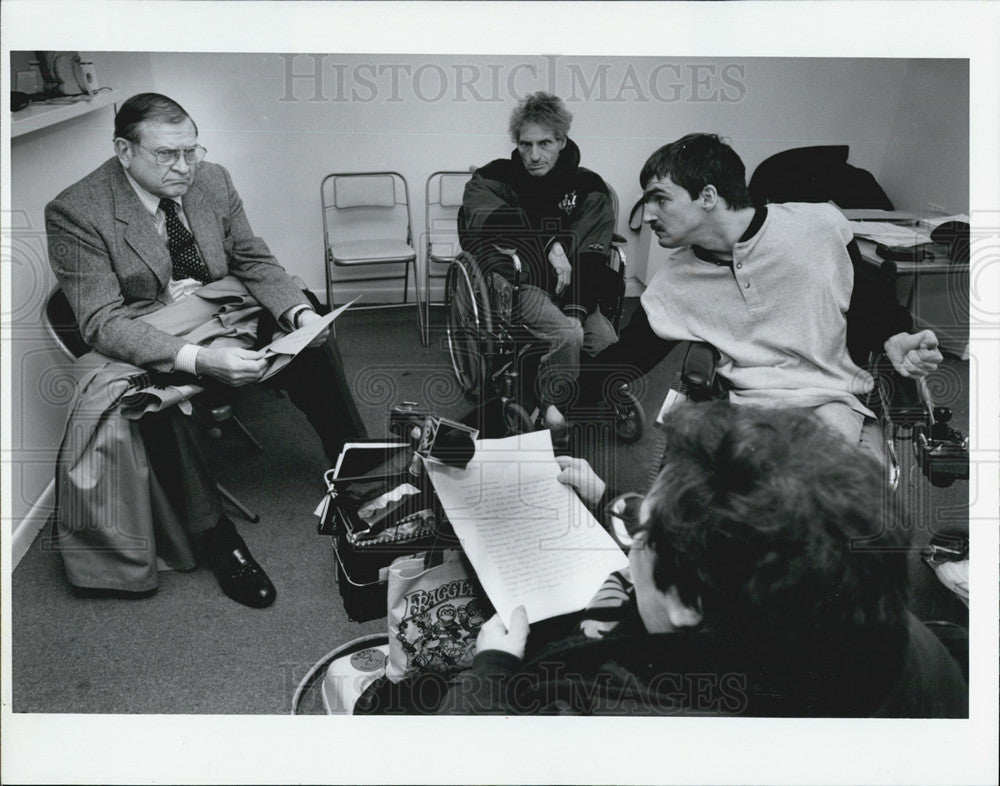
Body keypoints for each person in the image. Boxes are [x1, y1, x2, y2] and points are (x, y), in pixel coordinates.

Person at [435, 402, 968, 716]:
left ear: (688, 604)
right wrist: (609, 500)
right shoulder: (864, 610)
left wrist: (489, 673)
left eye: (638, 524)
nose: (629, 522)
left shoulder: (617, 721)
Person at [45, 92, 368, 608]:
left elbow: (251, 258)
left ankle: (356, 469)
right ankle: (215, 537)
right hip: (157, 331)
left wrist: (299, 316)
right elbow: (102, 322)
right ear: (124, 150)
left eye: (191, 150)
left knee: (309, 326)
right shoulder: (75, 211)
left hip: (225, 310)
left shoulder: (211, 178)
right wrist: (200, 360)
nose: (185, 167)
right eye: (167, 155)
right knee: (154, 400)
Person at [573, 133, 943, 444]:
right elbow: (629, 355)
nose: (648, 214)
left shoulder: (819, 226)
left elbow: (866, 299)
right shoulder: (674, 282)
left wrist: (894, 336)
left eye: (660, 198)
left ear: (707, 196)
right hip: (746, 411)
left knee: (816, 490)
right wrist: (566, 404)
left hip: (830, 399)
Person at [459, 92, 619, 429]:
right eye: (525, 144)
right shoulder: (493, 178)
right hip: (520, 282)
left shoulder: (590, 188)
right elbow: (485, 219)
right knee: (567, 337)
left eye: (544, 143)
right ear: (516, 143)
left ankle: (580, 400)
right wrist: (548, 243)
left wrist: (577, 310)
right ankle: (553, 413)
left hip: (572, 287)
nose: (533, 155)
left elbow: (592, 256)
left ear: (562, 140)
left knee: (605, 342)